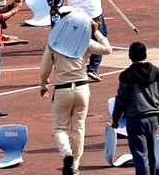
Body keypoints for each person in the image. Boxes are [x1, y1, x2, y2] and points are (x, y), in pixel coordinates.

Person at [40, 10, 112, 175]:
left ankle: (67, 154)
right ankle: (76, 166)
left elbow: (44, 68)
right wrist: (96, 32)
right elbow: (107, 50)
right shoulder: (84, 42)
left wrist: (43, 84)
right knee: (78, 128)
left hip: (62, 90)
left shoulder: (54, 43)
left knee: (60, 128)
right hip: (82, 88)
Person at [112, 41, 159, 175]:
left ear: (130, 56)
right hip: (153, 117)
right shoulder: (157, 72)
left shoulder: (127, 75)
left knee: (139, 154)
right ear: (145, 55)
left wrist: (115, 118)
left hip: (135, 119)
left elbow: (121, 99)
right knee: (151, 153)